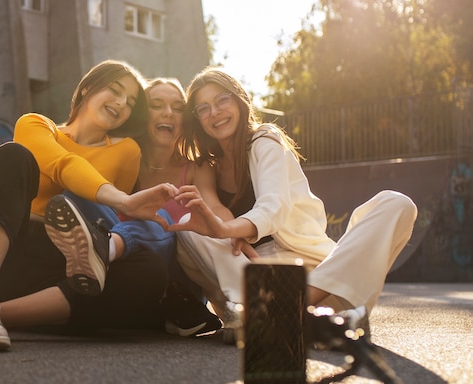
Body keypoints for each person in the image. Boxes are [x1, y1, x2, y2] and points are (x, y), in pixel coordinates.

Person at [0, 60, 178, 351]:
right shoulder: (35, 125)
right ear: (86, 89)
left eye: (130, 101)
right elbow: (63, 165)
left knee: (150, 270)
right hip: (3, 257)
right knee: (12, 156)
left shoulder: (127, 151)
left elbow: (108, 218)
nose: (121, 103)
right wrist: (125, 200)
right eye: (115, 90)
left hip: (66, 268)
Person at [169, 67, 418, 343]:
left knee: (397, 204)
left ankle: (293, 310)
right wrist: (227, 231)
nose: (214, 112)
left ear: (239, 100)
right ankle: (271, 313)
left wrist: (230, 230)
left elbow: (273, 207)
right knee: (188, 228)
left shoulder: (265, 140)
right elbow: (215, 214)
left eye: (222, 100)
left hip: (315, 275)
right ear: (197, 119)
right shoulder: (207, 165)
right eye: (203, 108)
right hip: (256, 281)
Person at [56, 77, 227, 337]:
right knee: (77, 194)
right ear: (143, 116)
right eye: (156, 105)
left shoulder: (197, 168)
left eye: (178, 107)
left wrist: (237, 232)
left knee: (164, 218)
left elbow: (215, 208)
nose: (168, 113)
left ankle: (106, 247)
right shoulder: (124, 157)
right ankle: (103, 253)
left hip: (178, 285)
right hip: (131, 271)